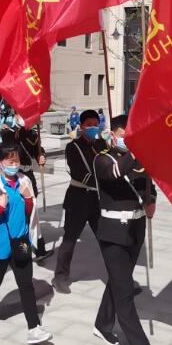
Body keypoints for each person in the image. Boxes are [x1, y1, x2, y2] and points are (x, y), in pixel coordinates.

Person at [93, 114, 157, 345]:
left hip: (136, 227)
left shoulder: (141, 159)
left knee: (119, 280)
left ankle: (101, 325)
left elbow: (148, 184)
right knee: (124, 289)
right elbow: (116, 174)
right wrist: (136, 149)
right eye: (124, 134)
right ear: (114, 134)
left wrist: (151, 200)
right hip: (113, 231)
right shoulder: (103, 159)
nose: (127, 139)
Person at [0, 142, 52, 345]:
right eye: (10, 160)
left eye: (16, 160)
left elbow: (30, 214)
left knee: (26, 285)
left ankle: (33, 328)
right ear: (0, 163)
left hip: (21, 242)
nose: (14, 164)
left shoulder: (25, 181)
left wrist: (28, 200)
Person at [52, 109, 104, 294]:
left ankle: (119, 278)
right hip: (78, 198)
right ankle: (60, 277)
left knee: (106, 240)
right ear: (81, 126)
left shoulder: (102, 144)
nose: (92, 127)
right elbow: (79, 174)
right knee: (69, 241)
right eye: (88, 124)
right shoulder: (73, 147)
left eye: (95, 124)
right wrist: (104, 179)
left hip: (96, 201)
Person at [11, 121, 50, 260]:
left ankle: (38, 249)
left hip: (28, 176)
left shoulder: (33, 134)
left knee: (31, 212)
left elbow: (36, 151)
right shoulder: (9, 133)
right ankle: (25, 248)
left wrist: (41, 156)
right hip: (15, 176)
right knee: (20, 215)